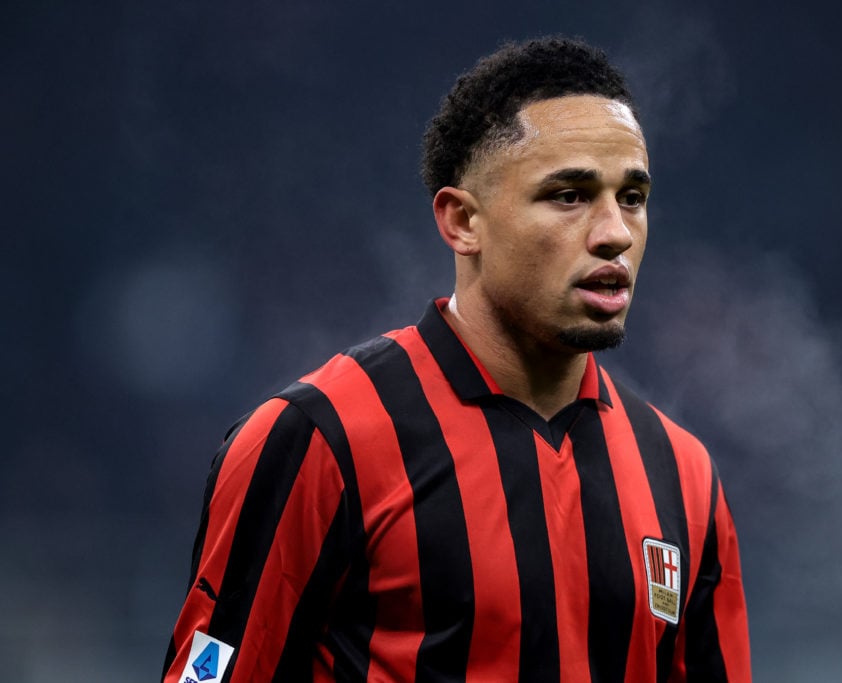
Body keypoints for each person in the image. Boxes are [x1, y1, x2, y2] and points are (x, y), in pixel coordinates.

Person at [162, 36, 751, 683]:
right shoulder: (320, 440)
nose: (613, 231)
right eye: (569, 195)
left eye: (632, 197)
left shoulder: (683, 475)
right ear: (462, 221)